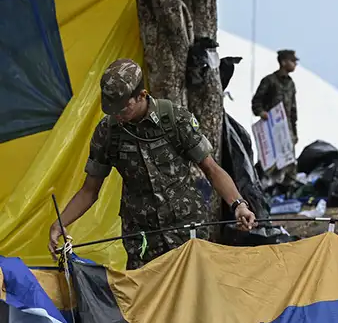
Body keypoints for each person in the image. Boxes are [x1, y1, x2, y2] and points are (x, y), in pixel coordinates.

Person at [48, 58, 257, 270]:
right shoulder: (107, 133)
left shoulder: (175, 119)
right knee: (146, 299)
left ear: (141, 95)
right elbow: (89, 191)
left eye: (123, 108)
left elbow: (211, 169)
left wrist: (239, 205)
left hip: (186, 232)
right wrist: (60, 223)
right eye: (112, 109)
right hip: (143, 240)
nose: (117, 115)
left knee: (195, 295)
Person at [251, 49, 299, 144]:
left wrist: (294, 133)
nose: (295, 64)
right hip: (270, 126)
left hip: (286, 129)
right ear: (283, 62)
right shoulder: (269, 80)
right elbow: (257, 101)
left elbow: (293, 110)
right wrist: (261, 112)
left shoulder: (290, 84)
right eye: (292, 61)